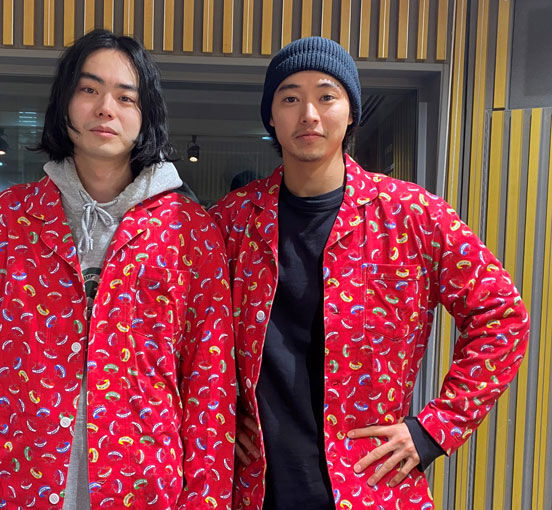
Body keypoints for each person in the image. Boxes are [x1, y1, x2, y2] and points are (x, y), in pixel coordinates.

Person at [210, 36, 529, 510]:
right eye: (290, 99)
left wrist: (434, 429)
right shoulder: (231, 222)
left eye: (326, 96)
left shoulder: (412, 215)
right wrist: (213, 416)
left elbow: (502, 315)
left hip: (370, 486)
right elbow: (182, 331)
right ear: (271, 116)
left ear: (351, 112)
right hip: (251, 487)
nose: (309, 114)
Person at [0, 29, 235, 510]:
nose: (105, 108)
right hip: (21, 486)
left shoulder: (190, 231)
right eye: (89, 89)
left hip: (146, 490)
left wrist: (206, 500)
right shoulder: (4, 222)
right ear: (64, 103)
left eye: (126, 97)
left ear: (146, 116)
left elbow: (210, 379)